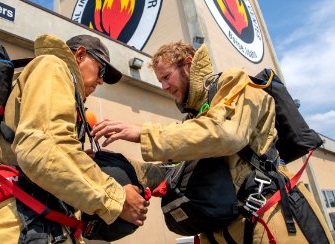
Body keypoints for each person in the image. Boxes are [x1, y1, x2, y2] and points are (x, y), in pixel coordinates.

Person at [91, 41, 334, 243]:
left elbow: (227, 134)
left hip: (270, 219)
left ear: (187, 64)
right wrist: (113, 165)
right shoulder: (195, 122)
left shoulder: (234, 83)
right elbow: (173, 177)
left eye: (166, 77)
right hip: (224, 230)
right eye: (160, 81)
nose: (164, 87)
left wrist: (144, 133)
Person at [0, 34, 149, 244]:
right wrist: (117, 198)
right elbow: (44, 148)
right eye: (101, 70)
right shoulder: (53, 67)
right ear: (80, 55)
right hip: (17, 227)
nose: (101, 80)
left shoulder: (53, 84)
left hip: (22, 222)